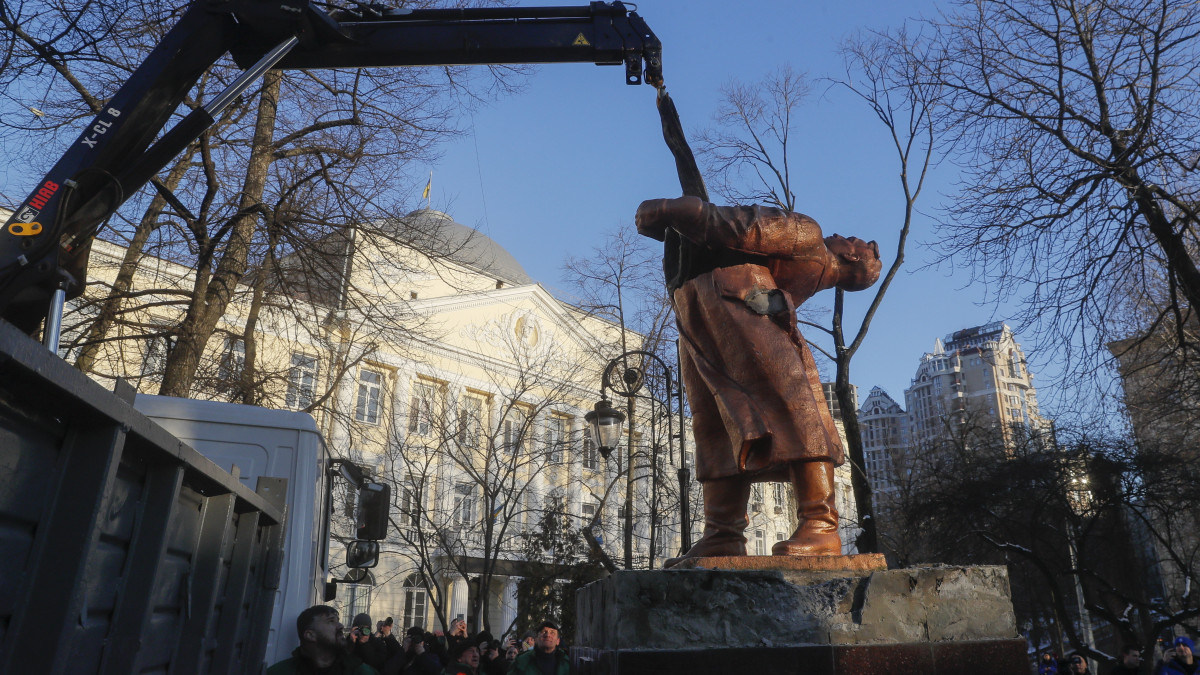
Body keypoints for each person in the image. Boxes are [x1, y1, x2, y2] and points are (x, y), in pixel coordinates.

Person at [635, 196, 882, 564]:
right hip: (702, 312)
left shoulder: (809, 235)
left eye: (852, 240)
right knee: (715, 426)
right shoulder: (810, 270)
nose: (839, 234)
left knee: (793, 413)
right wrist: (680, 226)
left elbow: (746, 227)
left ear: (854, 257)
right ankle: (722, 534)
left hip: (733, 309)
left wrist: (682, 211)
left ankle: (821, 525)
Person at [267, 605, 378, 675]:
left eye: (338, 620)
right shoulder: (279, 672)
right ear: (310, 635)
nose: (340, 626)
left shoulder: (361, 671)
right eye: (331, 621)